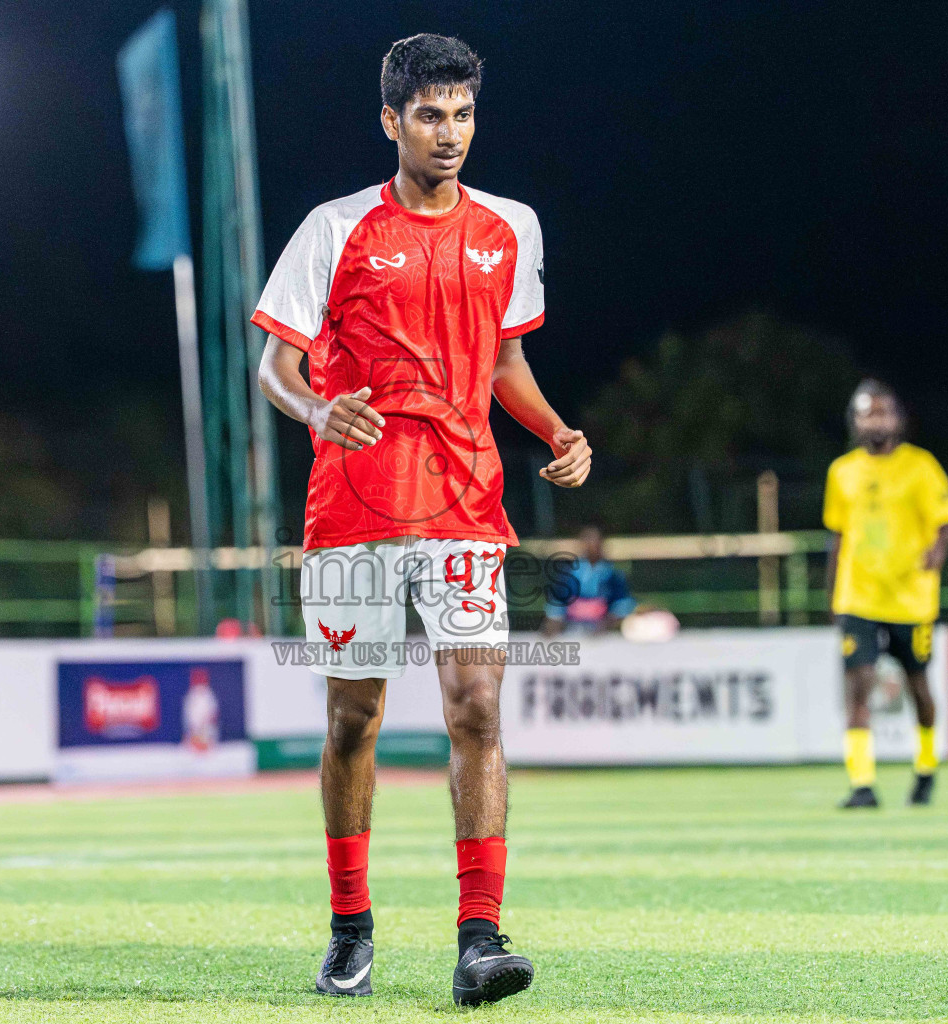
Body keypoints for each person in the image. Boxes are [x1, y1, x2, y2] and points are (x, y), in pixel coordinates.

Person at [255, 34, 590, 1006]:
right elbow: (275, 363)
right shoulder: (335, 228)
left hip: (464, 504)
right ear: (392, 121)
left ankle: (480, 935)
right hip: (355, 510)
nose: (451, 134)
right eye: (432, 115)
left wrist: (557, 430)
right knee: (353, 718)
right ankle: (350, 927)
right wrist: (320, 409)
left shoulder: (509, 228)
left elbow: (500, 363)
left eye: (464, 114)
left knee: (477, 708)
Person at [823, 380, 948, 809]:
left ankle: (925, 767)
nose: (875, 421)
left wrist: (937, 552)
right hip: (858, 597)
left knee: (918, 686)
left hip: (910, 598)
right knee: (857, 688)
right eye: (867, 413)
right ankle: (862, 784)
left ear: (898, 419)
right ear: (855, 421)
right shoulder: (842, 472)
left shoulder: (920, 467)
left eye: (882, 412)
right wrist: (832, 597)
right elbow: (837, 536)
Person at [541, 525, 636, 635]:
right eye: (587, 541)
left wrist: (610, 620)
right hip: (572, 625)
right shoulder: (569, 573)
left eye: (595, 541)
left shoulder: (612, 573)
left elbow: (622, 601)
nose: (591, 545)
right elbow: (558, 601)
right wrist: (555, 620)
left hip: (603, 626)